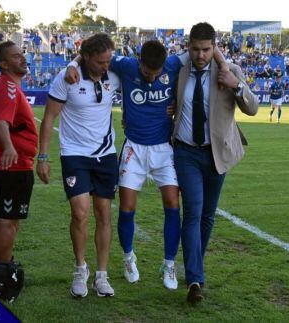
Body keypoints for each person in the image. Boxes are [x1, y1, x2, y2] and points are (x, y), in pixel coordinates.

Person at [65, 39, 227, 290]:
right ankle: (129, 257)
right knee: (127, 207)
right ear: (139, 62)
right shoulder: (126, 66)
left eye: (156, 74)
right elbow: (89, 52)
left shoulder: (174, 63)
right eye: (146, 73)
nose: (151, 78)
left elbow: (207, 45)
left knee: (173, 203)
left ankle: (169, 263)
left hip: (164, 148)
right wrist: (71, 65)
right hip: (134, 148)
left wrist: (224, 66)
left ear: (165, 66)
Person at [171, 22, 258, 304]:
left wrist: (237, 86)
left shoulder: (229, 71)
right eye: (195, 49)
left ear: (215, 47)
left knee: (207, 216)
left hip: (217, 153)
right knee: (193, 212)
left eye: (206, 49)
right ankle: (195, 279)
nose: (200, 55)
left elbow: (253, 108)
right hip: (186, 152)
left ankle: (195, 265)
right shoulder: (179, 70)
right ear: (188, 46)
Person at [38, 33, 120, 298]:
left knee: (104, 214)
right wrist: (43, 157)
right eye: (99, 62)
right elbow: (49, 117)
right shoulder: (67, 78)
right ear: (85, 58)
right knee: (80, 213)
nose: (105, 66)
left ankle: (102, 276)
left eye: (108, 61)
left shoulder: (115, 73)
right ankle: (80, 269)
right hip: (74, 154)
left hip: (106, 154)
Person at [0, 41, 38, 264]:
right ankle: (2, 270)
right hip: (9, 164)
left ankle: (6, 264)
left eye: (22, 54)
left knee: (12, 219)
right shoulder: (8, 87)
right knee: (7, 219)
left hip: (17, 163)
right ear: (3, 64)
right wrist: (9, 147)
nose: (22, 58)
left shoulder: (9, 85)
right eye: (16, 56)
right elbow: (1, 123)